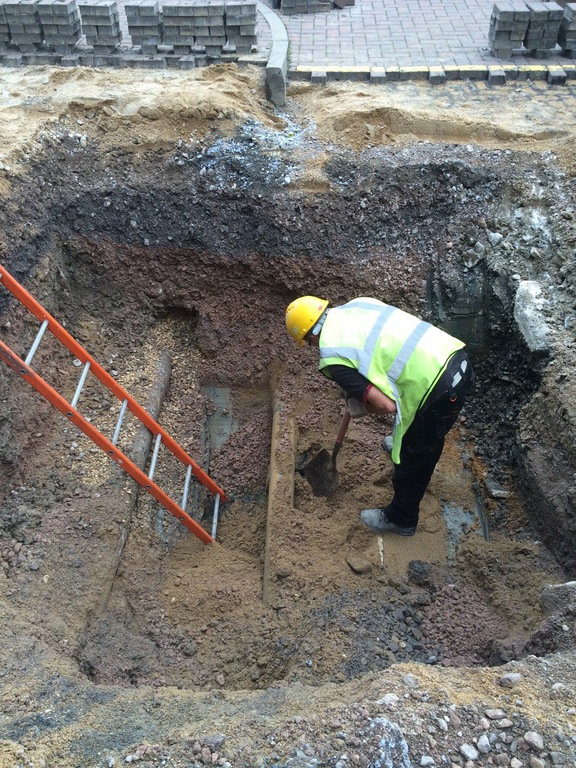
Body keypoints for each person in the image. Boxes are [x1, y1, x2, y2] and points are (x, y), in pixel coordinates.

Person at [285, 295, 474, 537]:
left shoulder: (332, 358)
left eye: (309, 344)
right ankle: (401, 439)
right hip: (454, 356)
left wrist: (361, 407)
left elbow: (387, 405)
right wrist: (357, 392)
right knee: (412, 420)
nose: (314, 348)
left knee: (414, 456)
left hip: (439, 391)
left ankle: (401, 519)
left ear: (311, 337)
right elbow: (381, 355)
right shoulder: (358, 304)